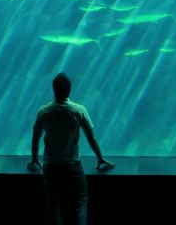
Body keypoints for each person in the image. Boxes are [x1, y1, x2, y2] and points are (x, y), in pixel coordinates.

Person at [28, 72, 115, 225]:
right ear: (70, 90)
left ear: (53, 89)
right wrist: (100, 157)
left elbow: (35, 137)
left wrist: (35, 158)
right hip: (72, 166)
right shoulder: (78, 110)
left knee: (53, 207)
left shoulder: (43, 111)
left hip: (50, 166)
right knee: (80, 202)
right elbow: (91, 137)